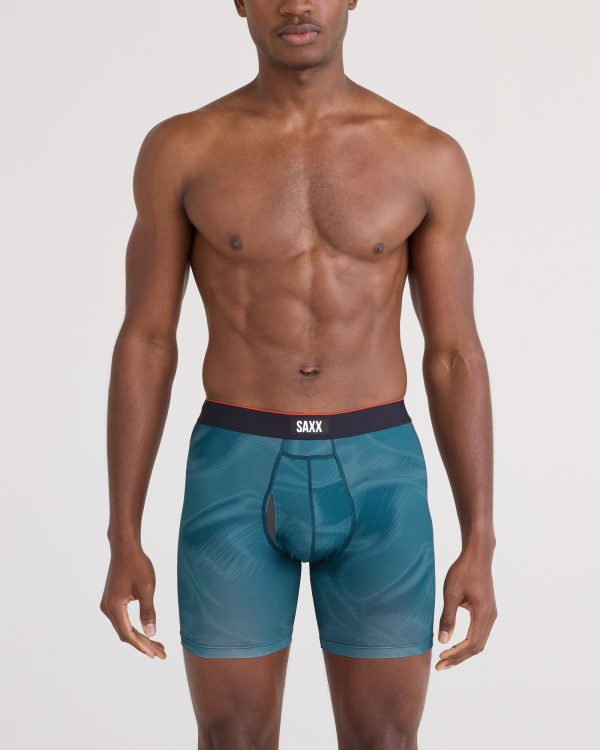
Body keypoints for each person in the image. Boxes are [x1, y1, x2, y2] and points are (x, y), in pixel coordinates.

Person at [100, 1, 497, 748]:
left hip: (379, 469)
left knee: (386, 739)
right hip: (235, 465)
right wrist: (123, 531)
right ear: (239, 1)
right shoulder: (184, 149)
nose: (296, 4)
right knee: (232, 737)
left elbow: (453, 353)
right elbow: (147, 340)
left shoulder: (425, 156)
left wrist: (481, 538)